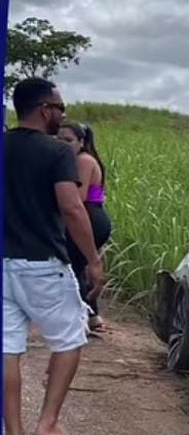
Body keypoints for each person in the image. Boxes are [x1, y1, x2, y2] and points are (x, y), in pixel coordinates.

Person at [3, 77, 105, 435]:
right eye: (59, 109)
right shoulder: (56, 152)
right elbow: (71, 207)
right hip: (42, 264)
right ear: (45, 109)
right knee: (69, 338)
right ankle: (47, 424)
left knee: (7, 349)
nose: (61, 115)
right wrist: (93, 259)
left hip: (3, 264)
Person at [57, 121, 113, 331]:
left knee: (72, 266)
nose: (62, 144)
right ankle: (92, 315)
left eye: (68, 140)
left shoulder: (82, 161)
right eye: (59, 139)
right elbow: (95, 194)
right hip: (93, 216)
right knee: (79, 265)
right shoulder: (88, 160)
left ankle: (79, 318)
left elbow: (77, 198)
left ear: (81, 142)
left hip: (87, 218)